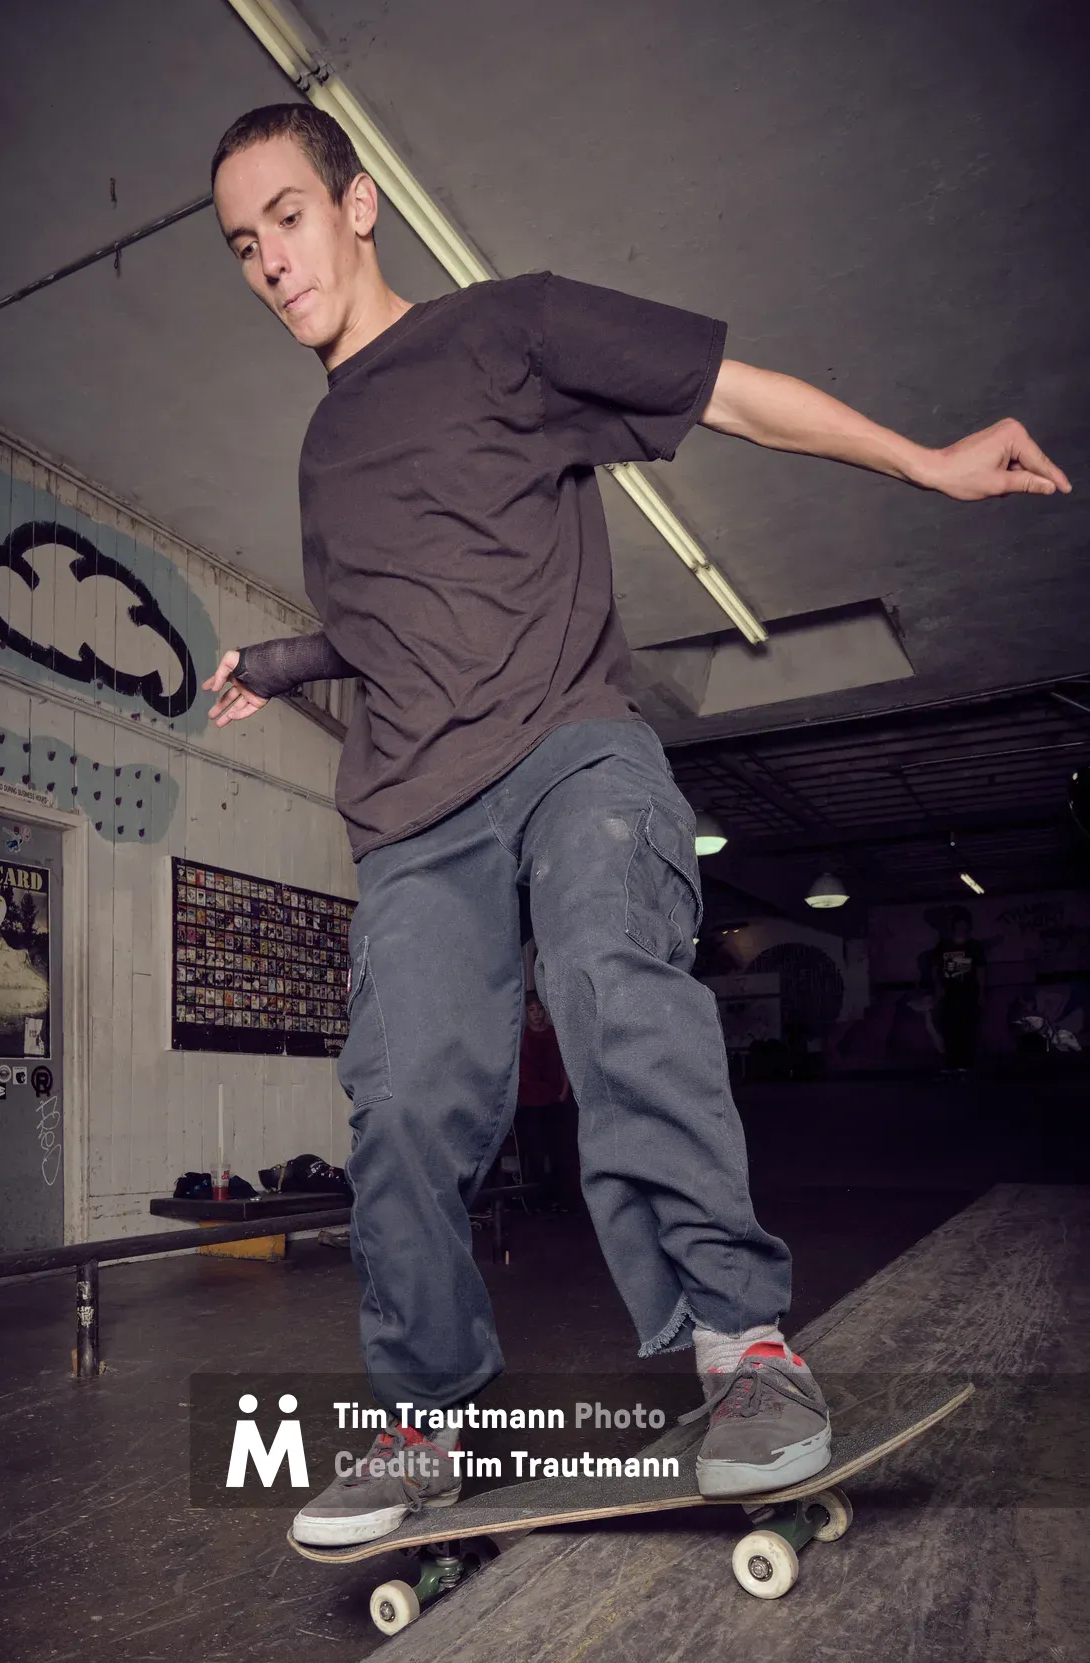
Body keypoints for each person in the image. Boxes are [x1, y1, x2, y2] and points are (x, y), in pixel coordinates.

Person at [202, 103, 1069, 1548]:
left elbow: (730, 390)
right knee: (404, 1096)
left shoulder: (513, 331)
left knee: (611, 974)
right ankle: (425, 1424)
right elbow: (379, 619)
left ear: (359, 206)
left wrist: (921, 460)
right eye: (243, 245)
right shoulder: (323, 450)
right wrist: (279, 663)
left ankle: (746, 1357)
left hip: (569, 753)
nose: (271, 262)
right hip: (417, 814)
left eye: (287, 218)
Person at [513, 990, 575, 1211]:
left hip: (555, 1100)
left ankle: (561, 1200)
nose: (537, 1014)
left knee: (560, 1151)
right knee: (536, 1152)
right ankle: (537, 1202)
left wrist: (564, 1092)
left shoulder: (555, 1035)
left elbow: (565, 1064)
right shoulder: (522, 1037)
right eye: (531, 1010)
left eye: (540, 1009)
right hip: (530, 1102)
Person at [927, 908, 987, 1073]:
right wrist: (938, 987)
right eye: (958, 924)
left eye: (964, 925)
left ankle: (966, 1063)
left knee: (967, 1027)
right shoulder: (943, 946)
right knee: (949, 1027)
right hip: (949, 994)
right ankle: (951, 1062)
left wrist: (981, 992)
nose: (961, 927)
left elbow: (981, 970)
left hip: (968, 993)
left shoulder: (974, 947)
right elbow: (935, 969)